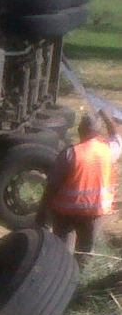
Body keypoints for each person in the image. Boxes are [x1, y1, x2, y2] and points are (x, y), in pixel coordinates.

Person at [36, 109, 122, 268]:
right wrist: (106, 116)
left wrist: (42, 212)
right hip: (94, 212)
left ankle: (59, 278)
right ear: (98, 132)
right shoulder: (108, 151)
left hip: (66, 212)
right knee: (85, 252)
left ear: (80, 130)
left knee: (62, 250)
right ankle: (78, 280)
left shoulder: (70, 154)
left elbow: (52, 187)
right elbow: (117, 137)